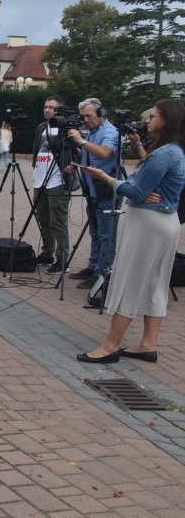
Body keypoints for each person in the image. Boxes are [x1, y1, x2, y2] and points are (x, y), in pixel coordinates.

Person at [76, 99, 185, 364]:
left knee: (129, 281)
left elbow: (136, 191)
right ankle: (147, 343)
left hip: (150, 224)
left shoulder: (163, 153)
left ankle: (110, 346)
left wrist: (107, 179)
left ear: (167, 121)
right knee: (154, 284)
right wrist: (134, 183)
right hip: (164, 222)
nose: (147, 121)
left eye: (153, 116)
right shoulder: (173, 151)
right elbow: (142, 185)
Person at [67, 98, 119, 290]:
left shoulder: (110, 132)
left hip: (105, 190)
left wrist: (81, 141)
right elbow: (89, 153)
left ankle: (102, 274)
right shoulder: (93, 131)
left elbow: (105, 153)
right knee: (95, 232)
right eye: (83, 117)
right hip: (92, 190)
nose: (86, 120)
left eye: (89, 115)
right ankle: (93, 266)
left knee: (106, 235)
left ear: (101, 113)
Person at [30, 96, 72, 274]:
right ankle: (46, 252)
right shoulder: (42, 127)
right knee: (43, 218)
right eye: (46, 107)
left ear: (59, 110)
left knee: (58, 220)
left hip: (57, 180)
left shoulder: (67, 128)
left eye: (51, 108)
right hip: (40, 179)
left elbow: (74, 151)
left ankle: (62, 258)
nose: (47, 110)